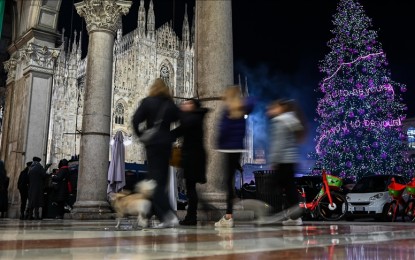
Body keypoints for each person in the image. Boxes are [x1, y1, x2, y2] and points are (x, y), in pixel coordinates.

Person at [132, 78, 181, 228]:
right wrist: (172, 135)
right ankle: (154, 215)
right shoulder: (170, 104)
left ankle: (168, 215)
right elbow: (183, 122)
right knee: (160, 180)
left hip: (152, 144)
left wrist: (142, 136)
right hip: (166, 145)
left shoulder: (147, 102)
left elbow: (135, 120)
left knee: (153, 182)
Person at [214, 85, 254, 228]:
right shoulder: (241, 110)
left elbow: (223, 130)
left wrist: (218, 142)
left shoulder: (228, 110)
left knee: (227, 183)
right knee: (229, 181)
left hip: (228, 149)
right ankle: (231, 208)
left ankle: (228, 216)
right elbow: (253, 102)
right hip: (238, 149)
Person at [266, 99, 307, 226]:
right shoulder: (291, 119)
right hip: (291, 160)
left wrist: (274, 160)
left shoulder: (279, 121)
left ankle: (273, 213)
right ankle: (295, 216)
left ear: (280, 109)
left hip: (283, 160)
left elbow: (278, 143)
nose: (270, 110)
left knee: (272, 186)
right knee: (289, 188)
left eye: (272, 108)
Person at [172, 98, 209, 226]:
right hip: (193, 157)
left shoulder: (194, 118)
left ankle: (192, 217)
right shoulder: (194, 117)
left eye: (188, 103)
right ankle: (192, 215)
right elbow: (180, 130)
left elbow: (181, 129)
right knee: (190, 187)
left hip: (194, 158)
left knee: (191, 188)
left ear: (193, 106)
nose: (184, 105)